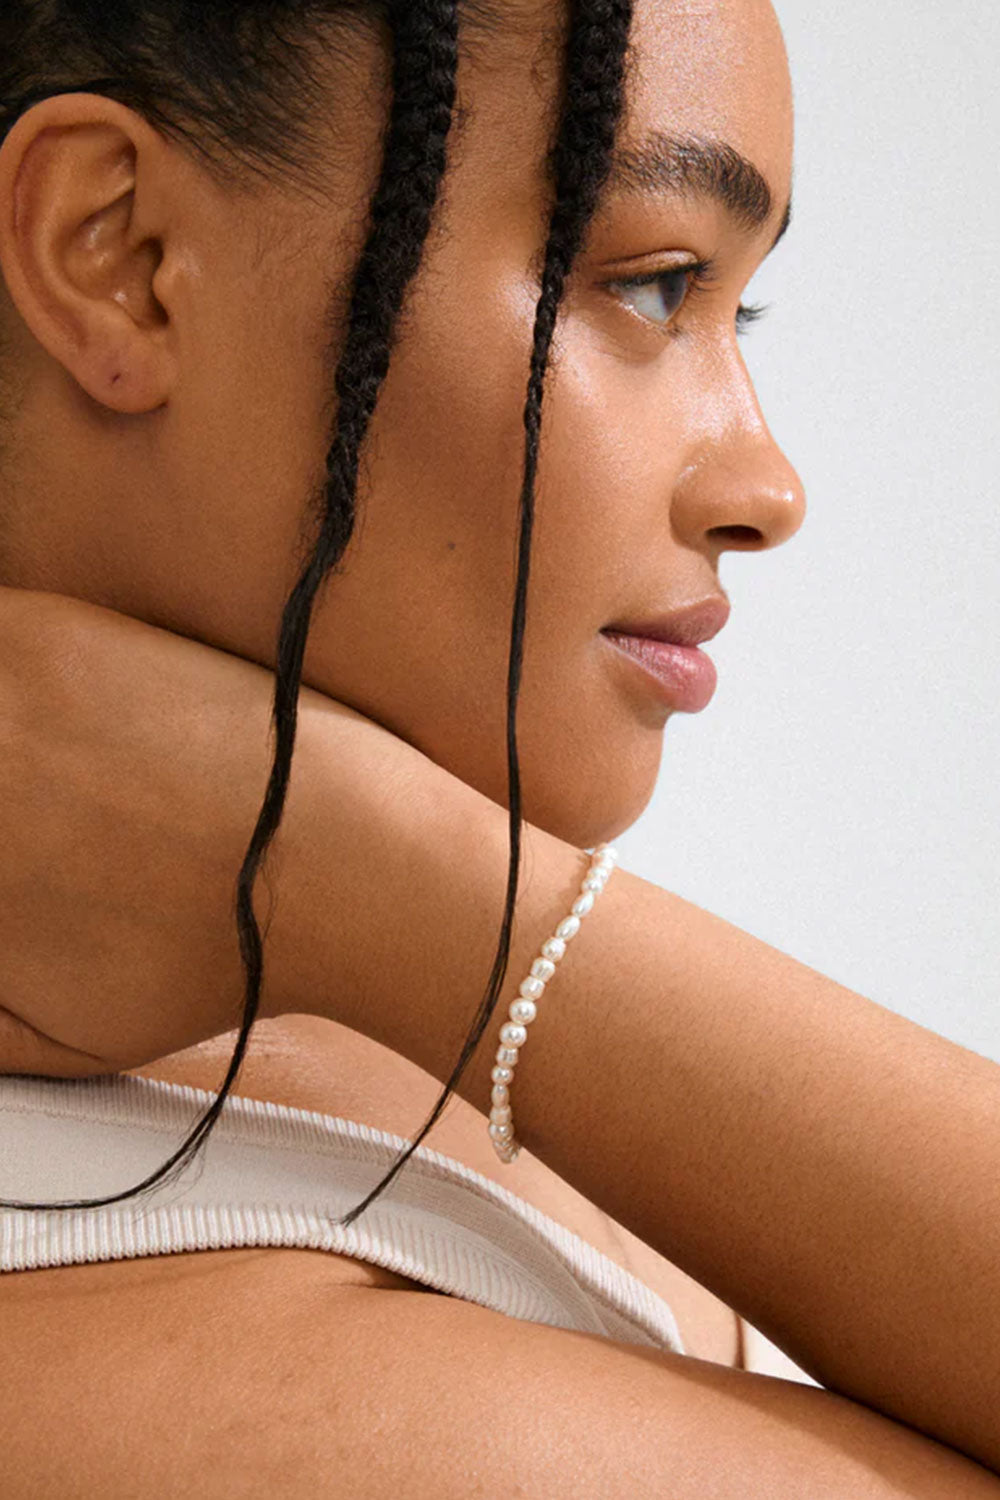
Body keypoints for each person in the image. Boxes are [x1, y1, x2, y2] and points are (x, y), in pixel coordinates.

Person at [0, 0, 998, 1493]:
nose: (768, 485)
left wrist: (368, 879)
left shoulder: (347, 1042)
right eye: (657, 285)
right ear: (125, 258)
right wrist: (417, 891)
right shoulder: (305, 1423)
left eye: (744, 309)